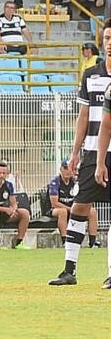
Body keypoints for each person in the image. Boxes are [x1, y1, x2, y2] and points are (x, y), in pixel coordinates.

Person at [57, 24, 111, 286]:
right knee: (79, 206)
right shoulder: (91, 75)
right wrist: (75, 152)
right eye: (107, 38)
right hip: (92, 151)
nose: (110, 42)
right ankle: (69, 270)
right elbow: (84, 115)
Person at [48, 160, 99, 248]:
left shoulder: (76, 182)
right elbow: (54, 203)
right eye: (66, 168)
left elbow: (83, 197)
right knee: (62, 212)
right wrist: (70, 209)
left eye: (71, 168)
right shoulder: (55, 182)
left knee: (92, 211)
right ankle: (65, 241)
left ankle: (93, 242)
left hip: (73, 208)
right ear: (61, 169)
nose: (69, 171)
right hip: (55, 210)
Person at [0, 161, 29, 250]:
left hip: (4, 213)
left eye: (4, 173)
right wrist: (5, 209)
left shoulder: (9, 185)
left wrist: (13, 210)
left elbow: (13, 202)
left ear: (7, 174)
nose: (1, 175)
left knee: (24, 213)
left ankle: (19, 242)